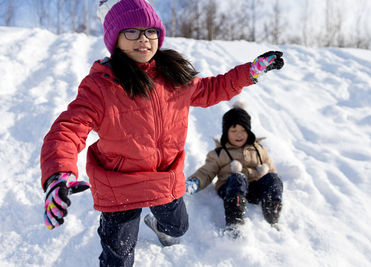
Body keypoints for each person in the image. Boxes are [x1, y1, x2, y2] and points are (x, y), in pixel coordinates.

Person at [40, 0, 284, 265]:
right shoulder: (101, 85)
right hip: (120, 186)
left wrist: (249, 73)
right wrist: (58, 173)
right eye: (131, 31)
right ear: (115, 38)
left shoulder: (173, 77)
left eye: (150, 31)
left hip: (164, 180)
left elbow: (214, 88)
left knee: (178, 228)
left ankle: (157, 226)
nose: (143, 39)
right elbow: (67, 129)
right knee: (118, 258)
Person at [186, 102, 284, 235]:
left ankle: (272, 212)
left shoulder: (259, 149)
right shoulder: (219, 153)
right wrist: (195, 182)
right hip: (230, 188)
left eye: (243, 130)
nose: (239, 135)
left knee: (273, 178)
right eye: (234, 131)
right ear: (226, 133)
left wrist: (271, 182)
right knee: (238, 177)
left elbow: (271, 171)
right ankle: (234, 222)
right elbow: (206, 172)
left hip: (253, 187)